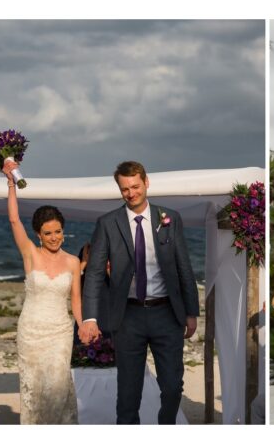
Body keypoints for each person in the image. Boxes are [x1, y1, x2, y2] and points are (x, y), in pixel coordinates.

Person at [79, 161, 200, 424]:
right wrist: (90, 318)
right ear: (119, 189)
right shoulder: (107, 223)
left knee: (171, 387)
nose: (131, 193)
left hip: (167, 314)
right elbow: (95, 273)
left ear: (146, 183)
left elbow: (184, 269)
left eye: (135, 186)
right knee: (128, 393)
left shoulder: (170, 219)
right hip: (128, 317)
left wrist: (192, 312)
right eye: (125, 189)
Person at [3, 160, 81, 424]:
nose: (54, 237)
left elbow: (76, 299)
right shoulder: (30, 255)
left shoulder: (72, 262)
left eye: (58, 231)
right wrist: (11, 183)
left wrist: (83, 326)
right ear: (38, 235)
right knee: (34, 392)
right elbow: (13, 219)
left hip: (60, 331)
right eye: (48, 233)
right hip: (31, 332)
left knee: (58, 390)